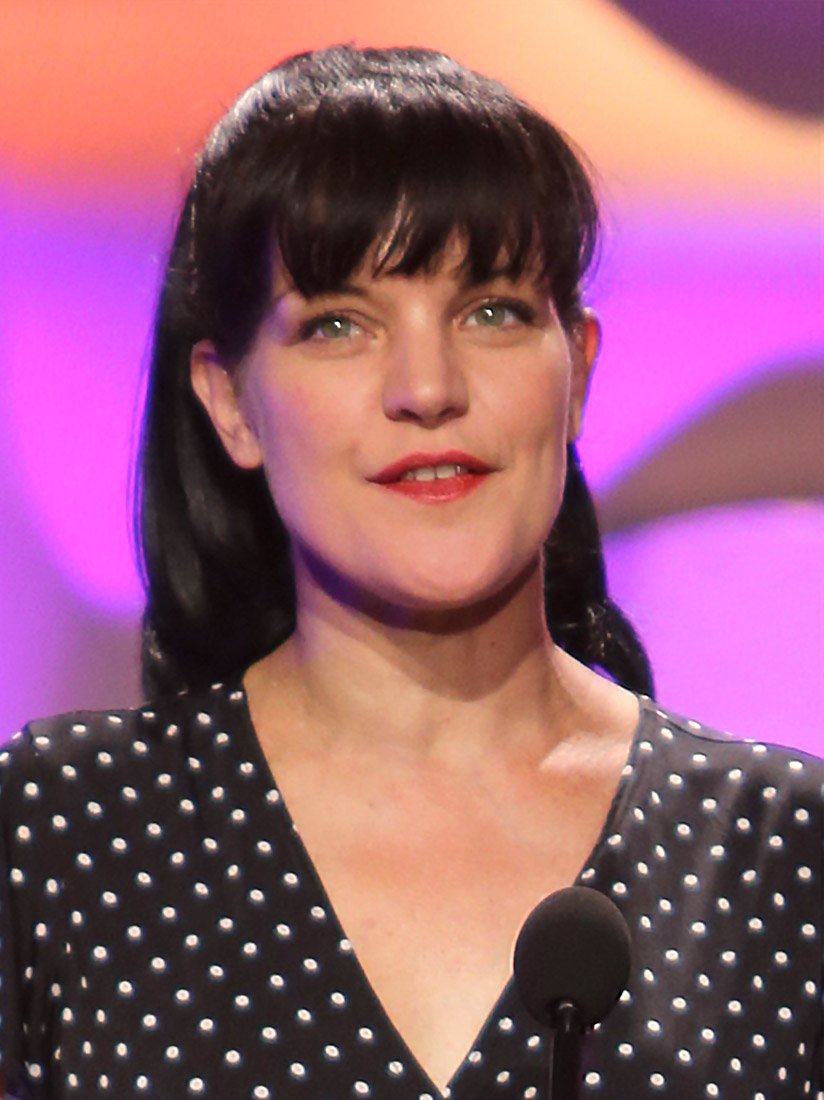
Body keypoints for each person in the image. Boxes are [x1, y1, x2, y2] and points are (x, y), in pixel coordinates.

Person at [0, 45, 820, 1100]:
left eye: (491, 311)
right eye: (339, 325)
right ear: (231, 402)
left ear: (575, 368)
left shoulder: (776, 853)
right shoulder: (59, 835)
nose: (426, 388)